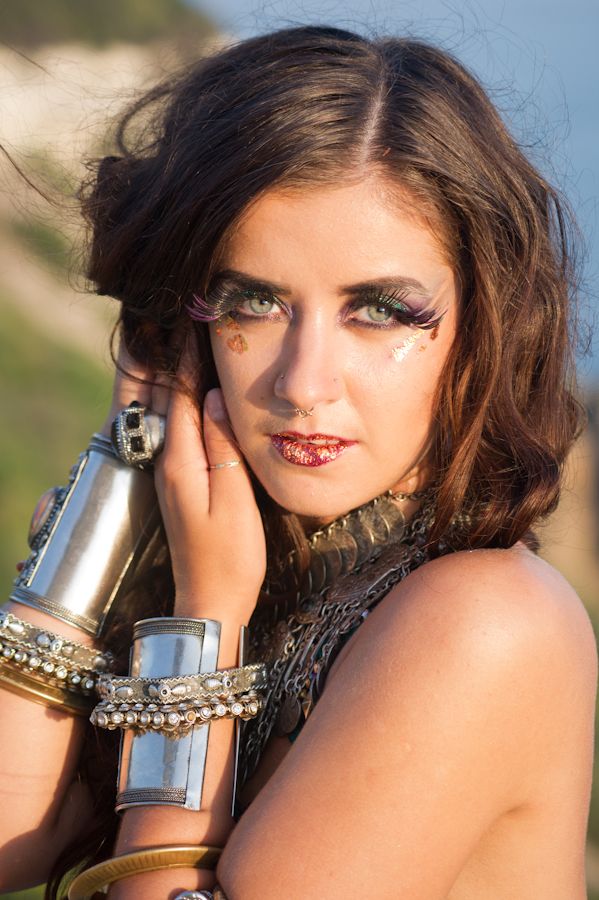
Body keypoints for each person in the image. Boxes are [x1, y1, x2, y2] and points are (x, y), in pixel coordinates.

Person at [0, 24, 596, 900]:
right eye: (254, 302)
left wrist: (203, 629)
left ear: (482, 328)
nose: (303, 383)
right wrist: (113, 494)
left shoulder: (482, 623)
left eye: (380, 311)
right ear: (185, 327)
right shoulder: (261, 575)